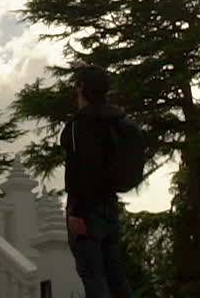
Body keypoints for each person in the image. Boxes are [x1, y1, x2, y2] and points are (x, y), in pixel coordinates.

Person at [61, 64, 136, 298]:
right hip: (110, 205)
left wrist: (77, 212)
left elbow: (81, 170)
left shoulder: (80, 124)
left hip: (86, 209)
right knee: (116, 277)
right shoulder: (117, 120)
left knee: (92, 276)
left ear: (81, 88)